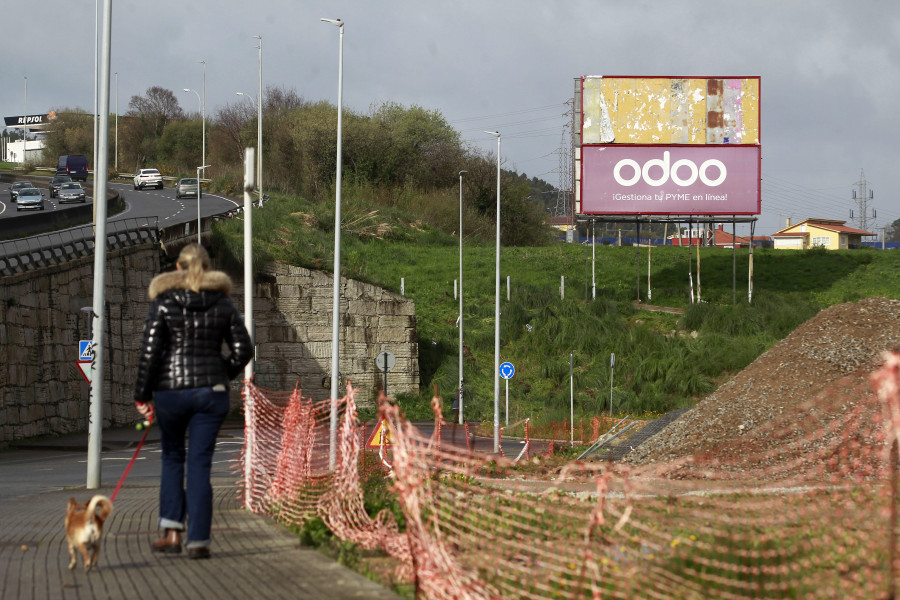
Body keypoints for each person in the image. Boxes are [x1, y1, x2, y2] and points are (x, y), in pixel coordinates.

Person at [133, 244, 252, 559]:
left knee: (173, 458)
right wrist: (219, 374)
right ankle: (199, 540)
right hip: (210, 395)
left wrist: (142, 396)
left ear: (177, 267)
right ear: (208, 266)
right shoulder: (223, 303)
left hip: (170, 392)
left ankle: (172, 533)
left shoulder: (163, 302)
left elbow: (150, 352)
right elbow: (243, 349)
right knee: (200, 465)